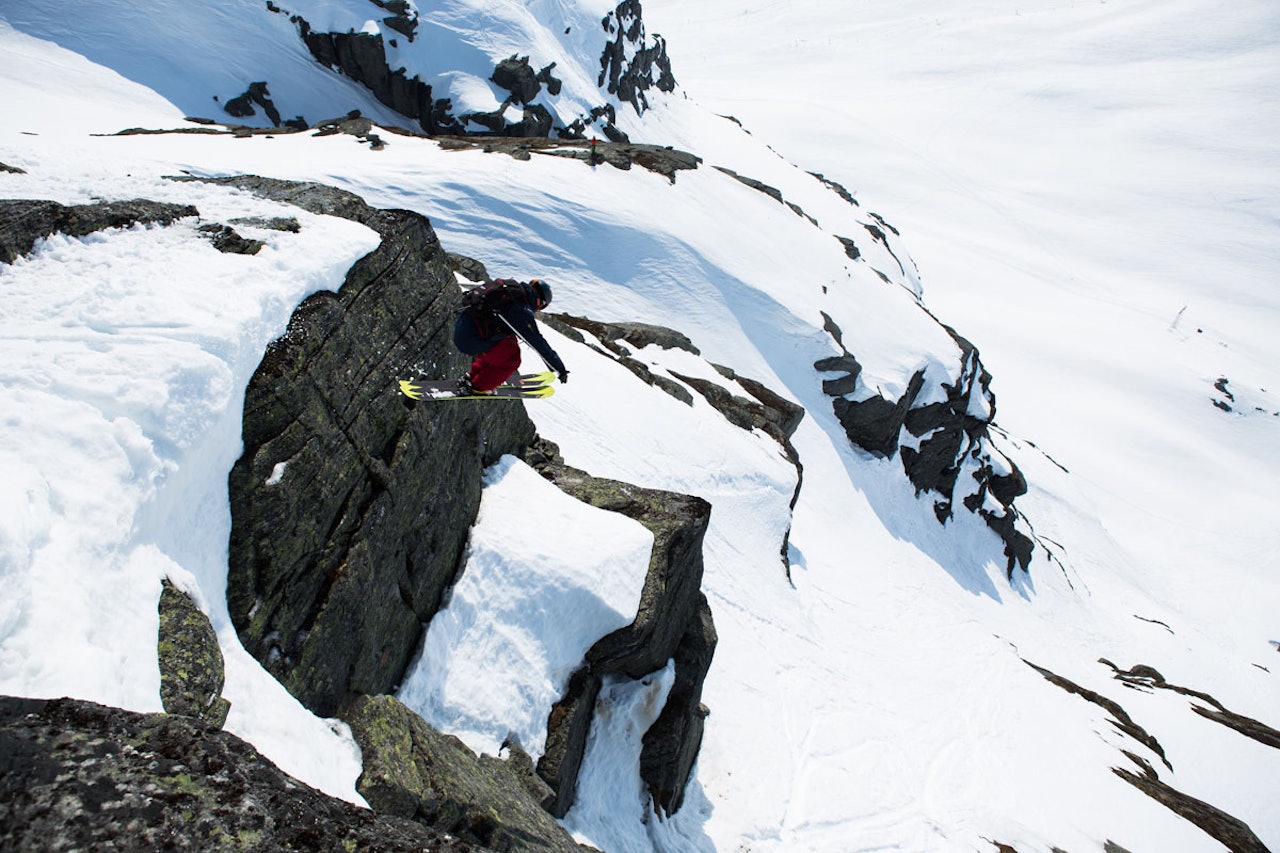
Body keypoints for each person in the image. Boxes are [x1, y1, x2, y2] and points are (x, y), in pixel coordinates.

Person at [452, 278, 569, 394]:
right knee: (512, 360)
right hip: (471, 340)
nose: (538, 309)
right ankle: (478, 386)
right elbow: (537, 342)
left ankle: (473, 377)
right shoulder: (520, 309)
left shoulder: (509, 291)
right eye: (542, 306)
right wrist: (559, 369)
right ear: (539, 301)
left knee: (509, 342)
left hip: (463, 329)